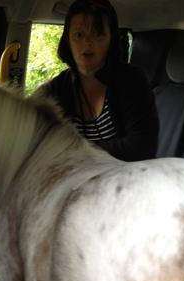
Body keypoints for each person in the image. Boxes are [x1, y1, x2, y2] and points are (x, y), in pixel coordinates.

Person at [35, 0, 159, 161]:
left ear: (111, 40)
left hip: (126, 177)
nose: (88, 43)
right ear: (67, 40)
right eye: (79, 35)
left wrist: (74, 150)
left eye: (98, 35)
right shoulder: (55, 89)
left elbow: (142, 147)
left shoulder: (132, 80)